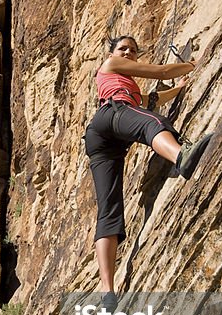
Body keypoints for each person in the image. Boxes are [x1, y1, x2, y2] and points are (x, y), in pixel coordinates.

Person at [84, 34, 212, 297]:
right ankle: (181, 156)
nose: (128, 52)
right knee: (150, 123)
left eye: (132, 49)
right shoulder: (110, 65)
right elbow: (161, 72)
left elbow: (150, 100)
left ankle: (107, 290)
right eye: (122, 48)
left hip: (99, 138)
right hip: (112, 113)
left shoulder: (123, 85)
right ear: (112, 52)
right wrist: (194, 64)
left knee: (109, 210)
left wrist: (179, 89)